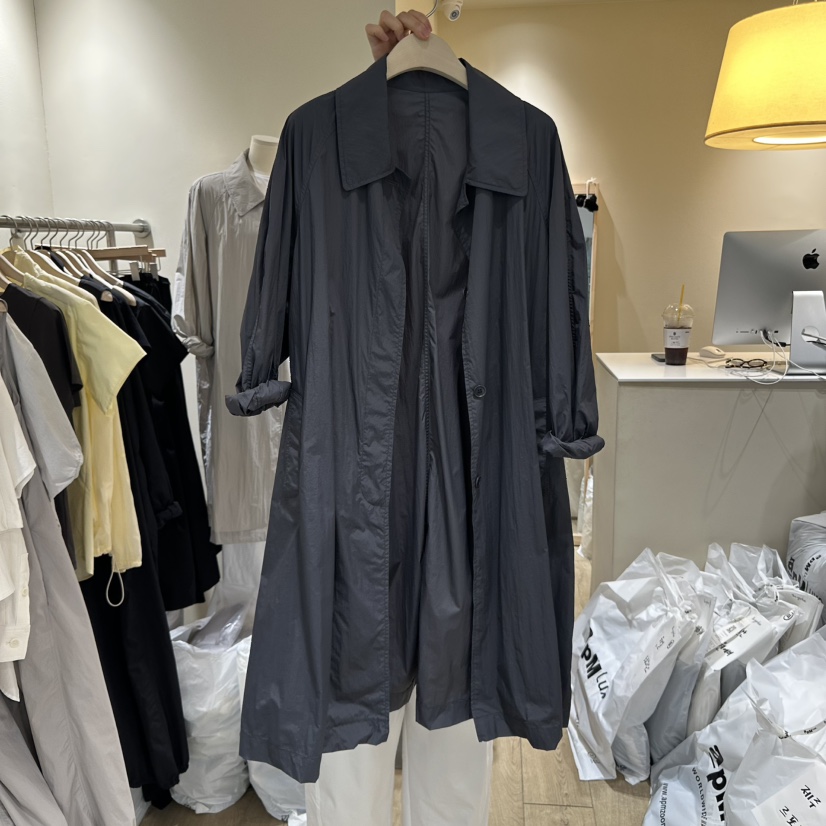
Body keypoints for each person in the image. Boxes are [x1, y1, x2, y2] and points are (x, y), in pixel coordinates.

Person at [302, 14, 494, 826]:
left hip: (437, 469)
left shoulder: (523, 142)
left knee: (428, 693)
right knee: (375, 694)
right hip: (371, 468)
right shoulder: (316, 139)